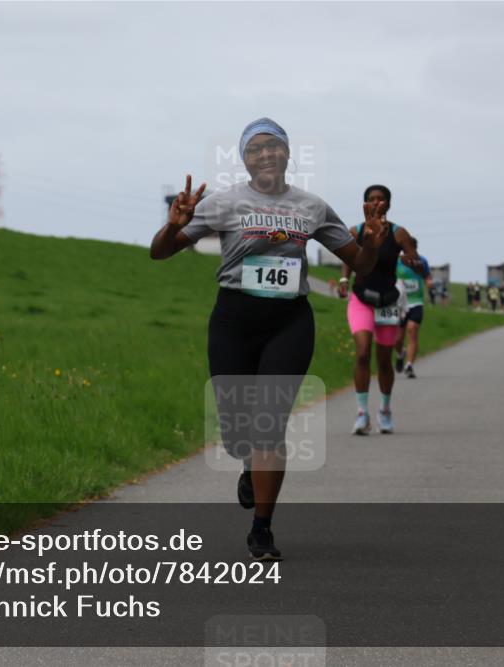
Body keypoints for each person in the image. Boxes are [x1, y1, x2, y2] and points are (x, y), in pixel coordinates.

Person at [149, 118, 389, 561]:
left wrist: (371, 245)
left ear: (287, 155)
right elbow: (160, 251)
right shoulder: (223, 203)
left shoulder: (311, 207)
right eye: (256, 148)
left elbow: (362, 264)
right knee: (238, 430)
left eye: (274, 147)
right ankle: (244, 462)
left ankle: (262, 527)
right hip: (234, 319)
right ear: (244, 158)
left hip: (289, 321)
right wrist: (173, 226)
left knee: (269, 425)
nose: (266, 154)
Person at [337, 185, 420, 435]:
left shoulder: (398, 233)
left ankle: (384, 410)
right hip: (361, 298)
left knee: (384, 360)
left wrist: (410, 259)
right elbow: (348, 259)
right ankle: (362, 414)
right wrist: (343, 280)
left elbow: (413, 255)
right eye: (371, 199)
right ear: (365, 204)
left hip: (387, 302)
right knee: (362, 352)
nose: (376, 203)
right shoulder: (356, 231)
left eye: (381, 199)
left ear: (388, 204)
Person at [394, 237, 430, 379]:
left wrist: (429, 282)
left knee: (412, 330)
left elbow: (427, 275)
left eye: (413, 248)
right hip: (399, 303)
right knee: (397, 338)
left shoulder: (422, 261)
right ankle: (401, 353)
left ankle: (409, 365)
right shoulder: (396, 261)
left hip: (416, 302)